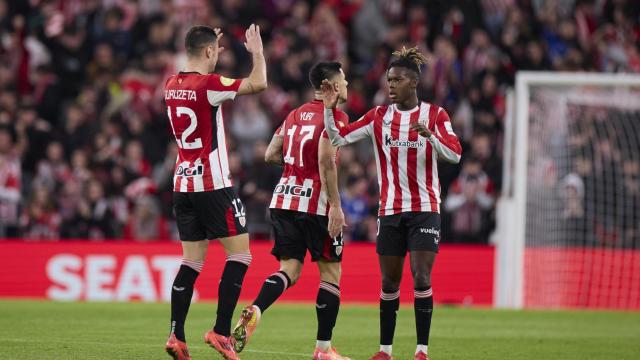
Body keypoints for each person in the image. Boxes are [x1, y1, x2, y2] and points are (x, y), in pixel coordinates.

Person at [322, 46, 462, 360]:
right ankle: (385, 351)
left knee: (422, 277)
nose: (391, 86)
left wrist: (431, 137)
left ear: (414, 82)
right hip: (390, 210)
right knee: (389, 281)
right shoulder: (378, 116)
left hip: (425, 209)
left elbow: (455, 153)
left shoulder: (436, 115)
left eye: (397, 80)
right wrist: (330, 110)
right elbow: (339, 138)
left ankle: (421, 350)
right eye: (389, 80)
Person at [231, 62, 351, 360]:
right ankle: (323, 350)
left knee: (290, 270)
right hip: (317, 205)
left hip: (283, 200)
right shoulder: (335, 116)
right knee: (330, 275)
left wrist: (296, 169)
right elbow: (326, 162)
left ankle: (256, 308)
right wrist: (335, 205)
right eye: (344, 80)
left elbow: (270, 153)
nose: (347, 84)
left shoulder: (294, 115)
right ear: (332, 86)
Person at [163, 24, 267, 360]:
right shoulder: (209, 84)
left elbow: (194, 79)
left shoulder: (170, 85)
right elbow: (258, 83)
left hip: (182, 184)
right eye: (216, 51)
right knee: (240, 255)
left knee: (191, 262)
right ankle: (221, 331)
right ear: (210, 51)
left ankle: (176, 335)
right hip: (213, 184)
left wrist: (208, 48)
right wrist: (257, 52)